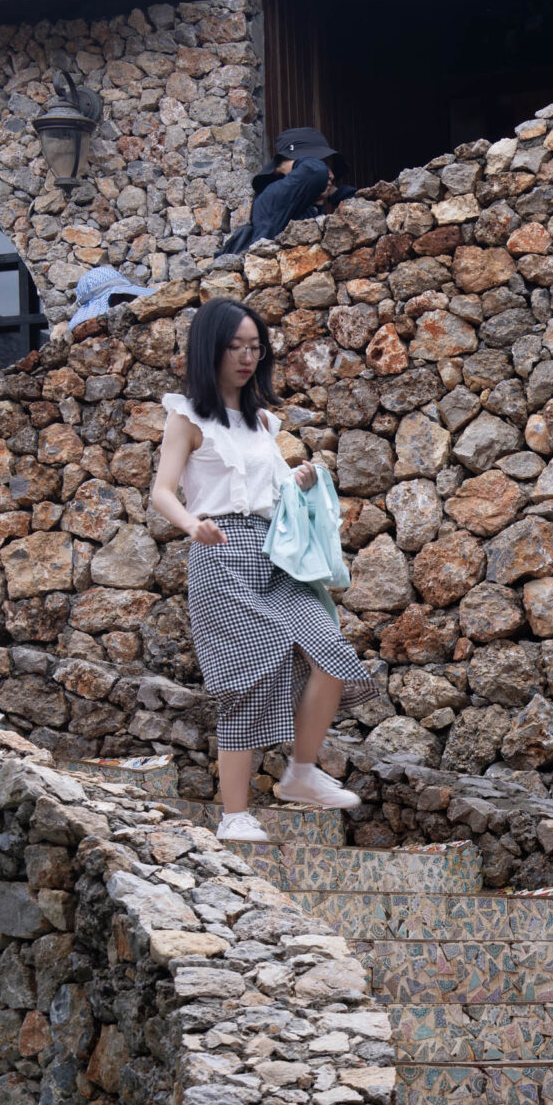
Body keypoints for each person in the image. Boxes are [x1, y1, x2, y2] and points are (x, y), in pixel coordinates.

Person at [149, 298, 371, 842]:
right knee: (251, 674)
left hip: (274, 553)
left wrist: (297, 481)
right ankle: (234, 815)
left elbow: (266, 492)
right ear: (210, 348)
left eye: (255, 347)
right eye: (235, 347)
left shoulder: (263, 421)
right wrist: (191, 524)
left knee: (330, 651)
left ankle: (300, 772)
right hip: (220, 552)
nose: (247, 357)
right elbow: (160, 491)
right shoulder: (187, 417)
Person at [217, 127, 352, 262]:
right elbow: (314, 171)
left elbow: (365, 208)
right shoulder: (272, 199)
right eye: (322, 163)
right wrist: (289, 163)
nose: (331, 175)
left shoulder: (310, 209)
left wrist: (336, 192)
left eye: (330, 166)